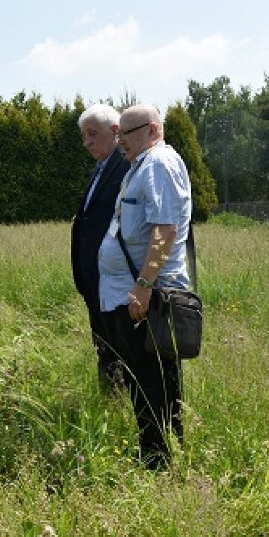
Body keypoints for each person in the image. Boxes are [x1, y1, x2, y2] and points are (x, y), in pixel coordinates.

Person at [96, 103, 192, 468]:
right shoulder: (141, 166)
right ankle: (158, 452)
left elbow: (165, 230)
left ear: (152, 129)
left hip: (146, 295)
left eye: (126, 132)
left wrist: (142, 285)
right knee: (144, 377)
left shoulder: (158, 164)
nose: (119, 140)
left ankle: (158, 459)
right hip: (133, 291)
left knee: (151, 379)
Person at [71, 104, 131, 389]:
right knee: (104, 342)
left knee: (122, 344)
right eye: (84, 136)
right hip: (96, 277)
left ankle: (121, 398)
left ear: (116, 131)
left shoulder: (126, 165)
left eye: (93, 134)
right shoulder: (101, 168)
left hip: (116, 278)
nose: (87, 142)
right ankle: (111, 398)